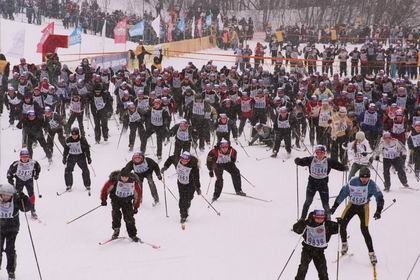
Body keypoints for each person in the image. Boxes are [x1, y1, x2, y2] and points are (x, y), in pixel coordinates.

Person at [330, 167, 384, 264]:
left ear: (369, 177)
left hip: (364, 208)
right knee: (342, 225)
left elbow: (379, 197)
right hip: (352, 205)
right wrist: (335, 206)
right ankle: (344, 244)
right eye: (362, 177)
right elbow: (343, 194)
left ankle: (371, 254)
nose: (364, 179)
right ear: (359, 177)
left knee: (364, 230)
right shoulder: (352, 182)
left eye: (366, 177)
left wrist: (378, 211)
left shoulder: (372, 185)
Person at [295, 145, 347, 220]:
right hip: (312, 183)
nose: (319, 155)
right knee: (308, 201)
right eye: (317, 153)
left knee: (325, 204)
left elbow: (338, 166)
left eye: (321, 153)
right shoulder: (310, 159)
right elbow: (301, 162)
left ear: (324, 153)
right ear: (315, 153)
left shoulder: (328, 161)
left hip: (323, 184)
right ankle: (302, 218)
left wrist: (344, 167)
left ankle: (328, 219)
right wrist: (297, 161)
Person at [293, 209, 338, 280]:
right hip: (307, 250)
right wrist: (300, 223)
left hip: (319, 252)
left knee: (323, 271)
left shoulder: (328, 225)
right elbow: (296, 229)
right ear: (314, 216)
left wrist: (341, 222)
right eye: (317, 218)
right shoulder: (308, 222)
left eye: (321, 218)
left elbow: (340, 228)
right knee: (303, 268)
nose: (319, 220)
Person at [0, 183, 32, 280]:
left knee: (10, 250)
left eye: (8, 195)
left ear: (12, 195)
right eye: (3, 194)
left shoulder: (16, 200)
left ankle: (11, 271)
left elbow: (26, 208)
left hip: (12, 229)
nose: (6, 197)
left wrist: (24, 198)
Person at [100, 168, 142, 242]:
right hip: (116, 200)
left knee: (129, 217)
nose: (124, 179)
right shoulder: (114, 180)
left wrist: (136, 206)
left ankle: (133, 234)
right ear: (120, 176)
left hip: (127, 201)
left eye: (126, 177)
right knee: (116, 214)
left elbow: (137, 195)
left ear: (129, 176)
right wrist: (104, 200)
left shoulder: (133, 182)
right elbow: (105, 189)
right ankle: (116, 230)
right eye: (122, 177)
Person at [161, 151, 201, 224]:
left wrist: (198, 188)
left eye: (186, 160)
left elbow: (196, 178)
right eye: (183, 159)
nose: (184, 161)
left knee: (189, 198)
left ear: (189, 160)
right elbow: (170, 159)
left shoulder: (193, 166)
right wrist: (165, 166)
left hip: (191, 184)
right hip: (181, 183)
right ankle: (183, 215)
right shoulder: (178, 160)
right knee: (182, 199)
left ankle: (186, 207)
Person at [7, 148, 40, 218]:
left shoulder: (33, 162)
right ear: (20, 157)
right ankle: (14, 210)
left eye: (26, 157)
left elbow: (38, 167)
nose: (24, 158)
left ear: (28, 156)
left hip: (29, 180)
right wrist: (10, 179)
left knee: (31, 195)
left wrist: (36, 175)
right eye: (23, 157)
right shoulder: (16, 164)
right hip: (20, 180)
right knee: (16, 195)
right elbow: (9, 172)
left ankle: (33, 210)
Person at [62, 127, 91, 192]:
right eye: (73, 135)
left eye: (76, 135)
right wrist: (64, 157)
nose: (74, 136)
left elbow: (87, 149)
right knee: (68, 170)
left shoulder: (82, 139)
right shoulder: (68, 140)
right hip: (71, 156)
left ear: (78, 134)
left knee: (85, 170)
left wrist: (89, 158)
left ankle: (87, 185)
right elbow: (66, 149)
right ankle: (69, 185)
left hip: (81, 156)